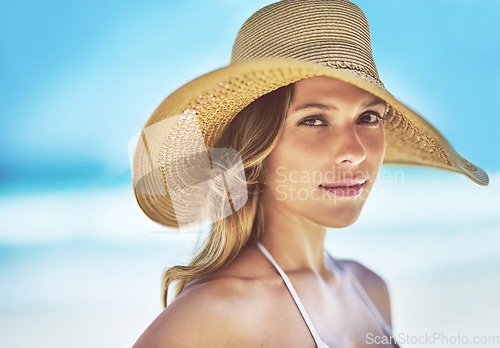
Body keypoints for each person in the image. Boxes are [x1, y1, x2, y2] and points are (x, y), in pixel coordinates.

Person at [130, 0, 489, 347]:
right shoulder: (215, 313)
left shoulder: (370, 288)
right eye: (314, 120)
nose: (354, 151)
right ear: (256, 147)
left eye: (368, 117)